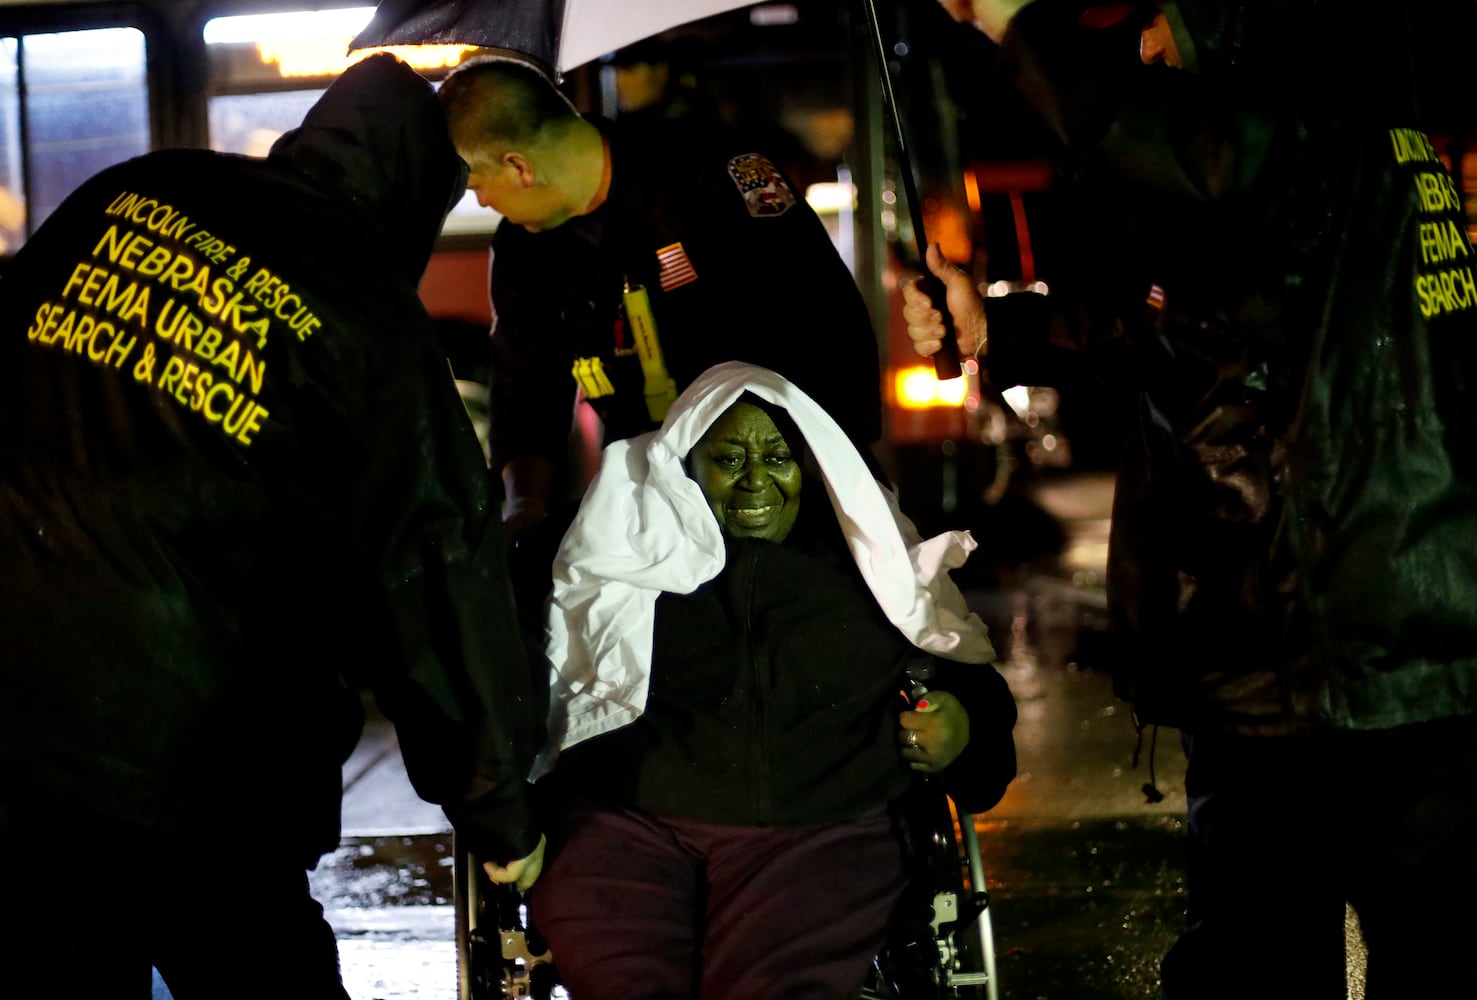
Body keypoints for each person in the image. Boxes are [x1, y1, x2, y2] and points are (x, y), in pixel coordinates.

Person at [906, 2, 1477, 997]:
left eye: (1167, 23)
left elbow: (1169, 145)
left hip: (1339, 647)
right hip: (1320, 638)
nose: (1148, 49)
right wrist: (995, 326)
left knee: (1295, 957)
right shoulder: (1323, 146)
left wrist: (1016, 24)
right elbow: (1166, 320)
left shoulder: (1300, 124)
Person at [0, 53, 544, 999]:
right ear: (414, 189)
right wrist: (497, 812)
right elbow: (433, 580)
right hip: (206, 767)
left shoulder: (134, 189)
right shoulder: (365, 308)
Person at [524, 361, 1018, 999]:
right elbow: (505, 677)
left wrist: (964, 730)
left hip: (819, 828)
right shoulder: (611, 545)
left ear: (808, 465)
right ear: (685, 465)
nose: (757, 480)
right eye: (729, 459)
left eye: (778, 458)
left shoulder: (869, 564)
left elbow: (973, 691)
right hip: (624, 823)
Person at [435, 56, 885, 624]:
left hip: (781, 488)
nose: (483, 203)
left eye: (479, 185)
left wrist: (823, 481)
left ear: (519, 166)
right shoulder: (527, 251)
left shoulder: (709, 174)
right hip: (653, 509)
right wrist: (524, 507)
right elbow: (524, 386)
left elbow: (823, 323)